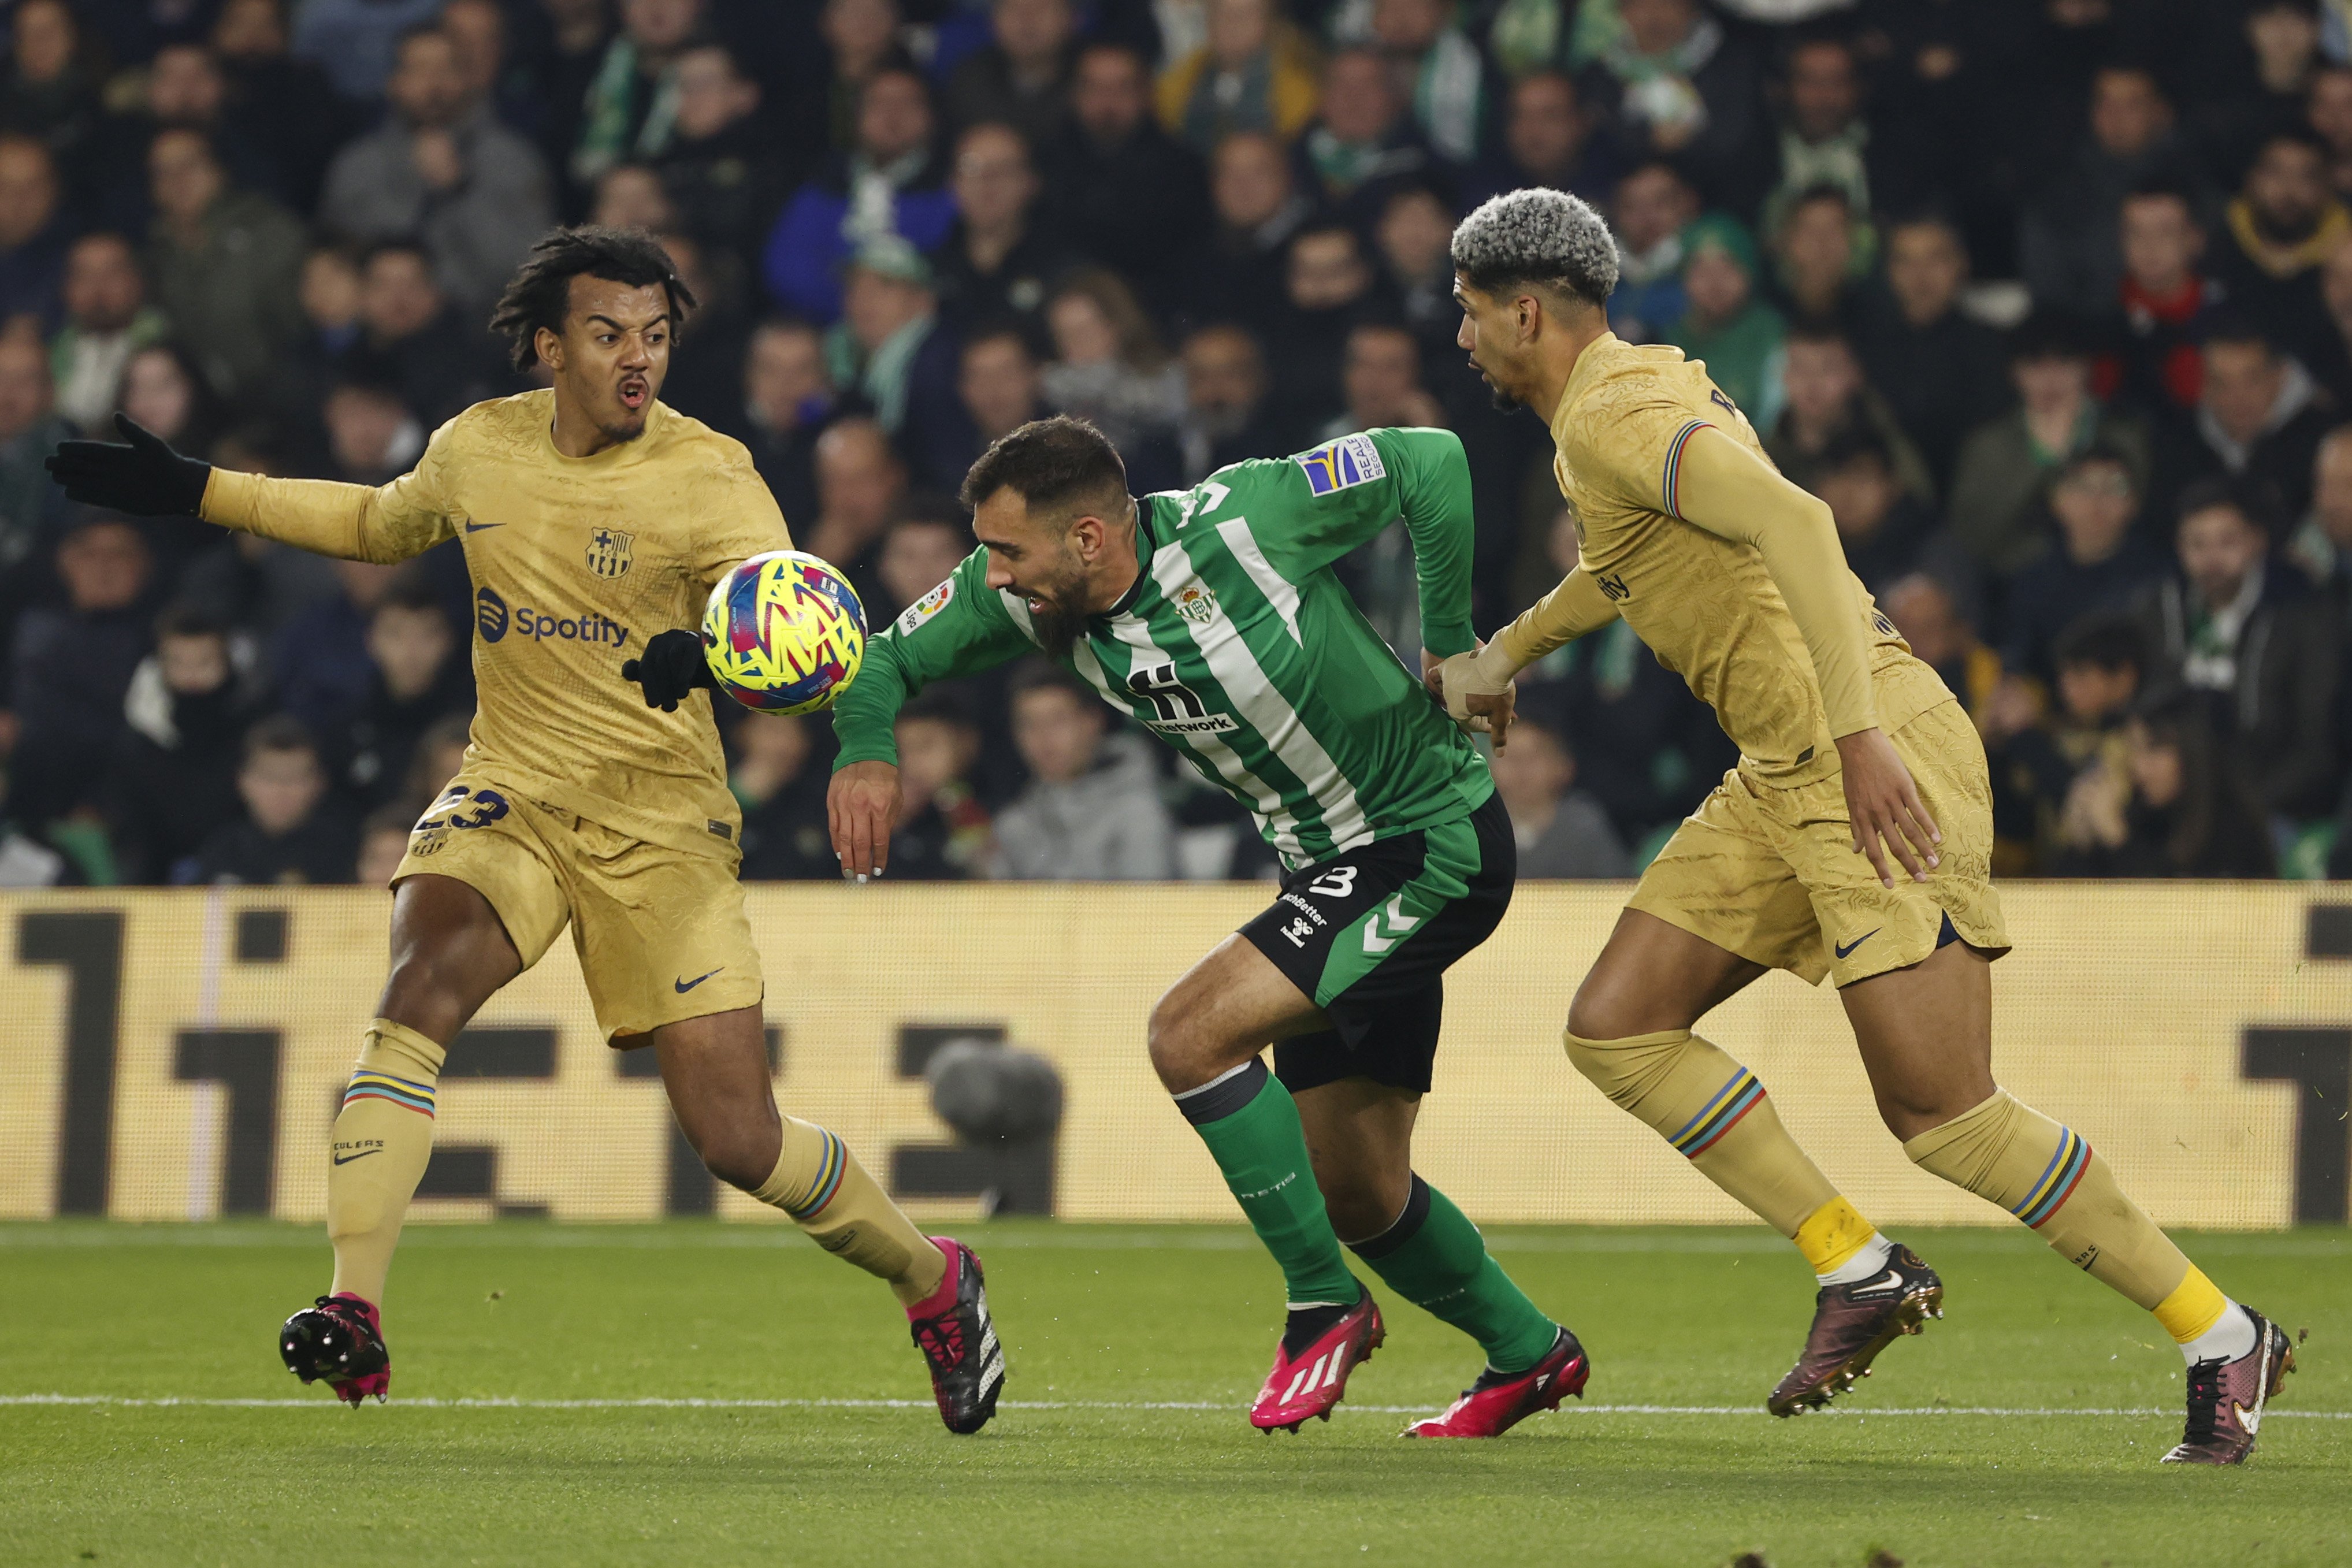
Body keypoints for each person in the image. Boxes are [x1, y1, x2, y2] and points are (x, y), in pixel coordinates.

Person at [46, 225, 1004, 1432]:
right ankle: (355, 1304)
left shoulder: (709, 473)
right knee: (418, 986)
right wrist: (198, 488)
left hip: (663, 829)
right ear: (551, 346)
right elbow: (376, 524)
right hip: (512, 790)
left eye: (654, 336)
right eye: (608, 335)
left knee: (737, 1137)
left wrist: (707, 645)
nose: (636, 359)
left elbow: (805, 626)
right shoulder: (479, 447)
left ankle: (935, 1277)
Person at [1442, 187, 2292, 1463]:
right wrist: (1506, 648)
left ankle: (2222, 1335)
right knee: (1616, 1027)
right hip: (1786, 766)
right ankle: (1859, 1267)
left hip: (1864, 747)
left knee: (1944, 1113)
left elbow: (1800, 522)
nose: (1458, 338)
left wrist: (1856, 741)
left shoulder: (1619, 412)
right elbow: (1627, 562)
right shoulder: (1623, 399)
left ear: (1523, 312)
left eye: (1466, 313)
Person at [829, 416, 1591, 1440]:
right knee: (1358, 1186)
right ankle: (1531, 1351)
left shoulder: (1251, 515)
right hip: (1327, 865)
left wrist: (1451, 638)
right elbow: (878, 662)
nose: (994, 576)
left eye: (1010, 551)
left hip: (1425, 841)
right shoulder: (1025, 601)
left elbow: (1432, 460)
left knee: (1188, 1033)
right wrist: (865, 749)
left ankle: (1324, 1302)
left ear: (1091, 538)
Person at [2135, 482, 2339, 823]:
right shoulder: (2158, 613)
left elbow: (2317, 748)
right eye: (2197, 544)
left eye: (2227, 542)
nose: (2211, 560)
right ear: (2179, 548)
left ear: (2256, 541)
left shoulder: (2302, 617)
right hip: (2177, 806)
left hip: (2273, 808)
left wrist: (2243, 809)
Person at [318, 24, 555, 315]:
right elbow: (340, 267)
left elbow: (528, 270)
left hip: (486, 334)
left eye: (447, 70)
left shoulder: (512, 160)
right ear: (394, 82)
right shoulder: (357, 166)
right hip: (381, 337)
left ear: (468, 79)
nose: (434, 85)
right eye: (419, 70)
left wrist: (459, 190)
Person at [1946, 314, 2150, 577]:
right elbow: (1972, 538)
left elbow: (2140, 519)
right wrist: (2043, 461)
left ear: (2086, 368)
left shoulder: (2124, 435)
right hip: (2014, 581)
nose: (2051, 380)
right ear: (2014, 373)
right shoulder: (1988, 445)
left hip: (2116, 574)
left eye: (2064, 363)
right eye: (2035, 365)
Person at [1039, 41, 1209, 315]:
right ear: (1074, 94)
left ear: (1146, 94)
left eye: (1122, 88)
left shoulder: (1182, 169)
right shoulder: (1043, 164)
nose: (1108, 102)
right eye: (1095, 88)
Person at [2045, 686, 2276, 879]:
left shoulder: (2233, 828)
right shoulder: (2142, 814)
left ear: (2194, 754)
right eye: (2133, 749)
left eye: (2153, 749)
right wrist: (2083, 846)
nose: (2137, 766)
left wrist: (2117, 838)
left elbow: (2179, 915)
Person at [990, 659, 1175, 879]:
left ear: (1093, 721)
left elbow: (1147, 910)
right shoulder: (1011, 824)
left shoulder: (1139, 813)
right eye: (1028, 724)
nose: (1043, 738)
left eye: (1057, 720)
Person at [2001, 446, 2168, 685]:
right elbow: (2017, 660)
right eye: (2083, 486)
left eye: (2115, 487)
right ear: (2057, 499)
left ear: (2134, 503)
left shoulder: (2157, 580)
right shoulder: (2033, 580)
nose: (2097, 500)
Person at [190, 715, 360, 885]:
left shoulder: (342, 852)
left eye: (294, 778)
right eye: (269, 778)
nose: (281, 791)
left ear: (319, 784)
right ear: (243, 782)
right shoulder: (222, 849)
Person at [47, 232, 169, 434]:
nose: (98, 288)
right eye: (85, 276)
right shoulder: (51, 353)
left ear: (136, 281)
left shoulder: (165, 345)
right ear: (67, 288)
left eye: (112, 273)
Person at [1488, 714, 1629, 879]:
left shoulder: (1583, 827)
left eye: (1532, 757)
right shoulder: (1473, 827)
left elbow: (1618, 891)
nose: (1521, 768)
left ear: (1563, 766)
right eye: (1510, 756)